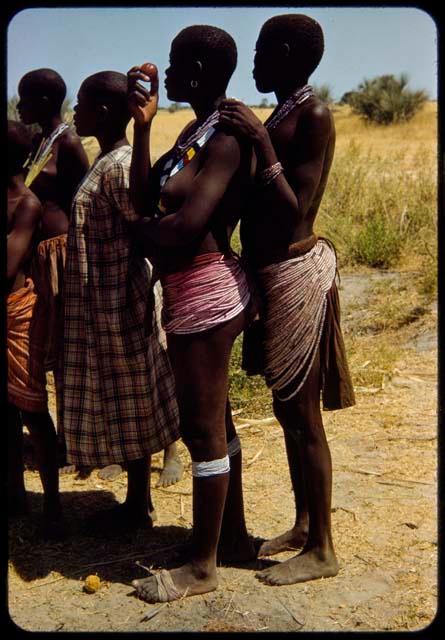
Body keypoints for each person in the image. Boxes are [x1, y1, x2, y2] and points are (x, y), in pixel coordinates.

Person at [219, 13, 356, 585]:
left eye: (261, 51)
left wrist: (257, 139)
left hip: (296, 270)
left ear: (290, 55)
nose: (252, 62)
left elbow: (296, 207)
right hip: (270, 271)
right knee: (283, 408)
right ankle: (304, 523)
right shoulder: (283, 112)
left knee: (302, 416)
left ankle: (323, 548)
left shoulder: (314, 114)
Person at [126, 25, 256, 603]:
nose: (169, 74)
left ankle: (203, 567)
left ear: (200, 72)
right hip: (186, 287)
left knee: (203, 430)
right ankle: (226, 538)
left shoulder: (226, 137)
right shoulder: (193, 131)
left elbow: (186, 224)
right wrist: (144, 124)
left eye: (177, 64)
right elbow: (145, 198)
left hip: (207, 289)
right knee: (212, 422)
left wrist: (140, 234)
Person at [61, 70, 180, 530]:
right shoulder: (106, 160)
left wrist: (146, 295)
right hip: (101, 302)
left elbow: (143, 227)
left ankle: (139, 505)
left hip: (118, 302)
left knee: (132, 395)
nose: (76, 112)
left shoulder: (118, 166)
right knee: (121, 397)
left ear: (104, 113)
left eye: (83, 104)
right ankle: (135, 502)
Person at [17, 68, 90, 469]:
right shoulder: (39, 142)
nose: (20, 105)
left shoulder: (69, 143)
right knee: (49, 350)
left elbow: (84, 202)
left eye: (25, 99)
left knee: (65, 351)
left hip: (61, 257)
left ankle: (71, 442)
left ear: (45, 102)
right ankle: (62, 440)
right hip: (40, 258)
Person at [7, 120, 65, 539]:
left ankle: (54, 507)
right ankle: (15, 495)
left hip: (18, 315)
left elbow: (9, 266)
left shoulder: (26, 205)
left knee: (32, 410)